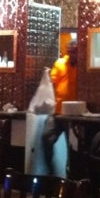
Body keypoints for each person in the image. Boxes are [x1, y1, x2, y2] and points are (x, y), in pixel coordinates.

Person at [41, 40, 78, 175]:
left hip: (75, 114)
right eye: (70, 51)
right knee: (46, 137)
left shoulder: (83, 67)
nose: (72, 54)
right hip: (57, 111)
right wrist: (47, 78)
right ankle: (51, 172)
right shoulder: (60, 63)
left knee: (73, 146)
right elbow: (52, 81)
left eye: (75, 52)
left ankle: (71, 176)